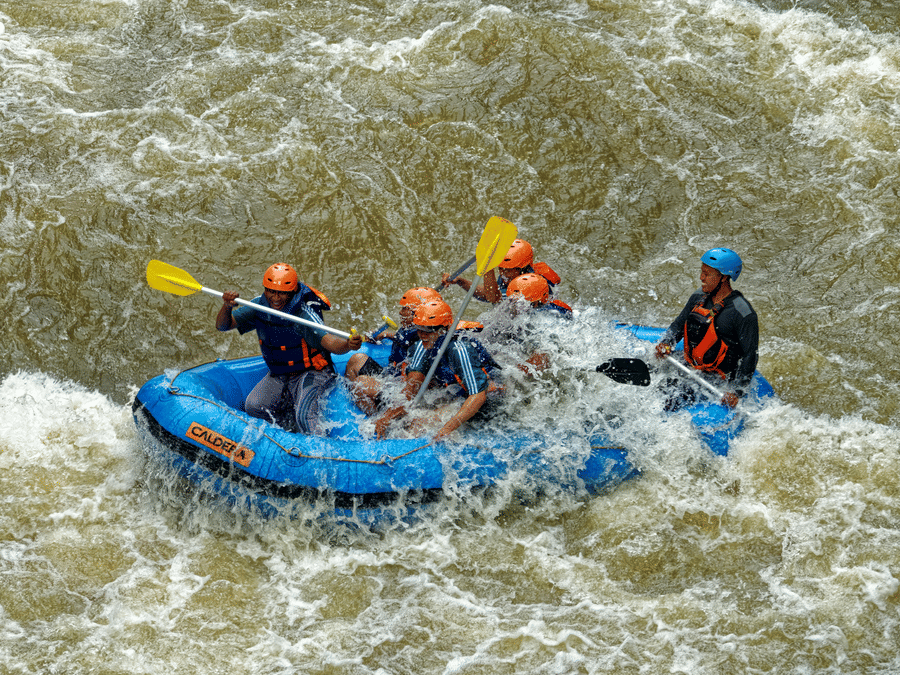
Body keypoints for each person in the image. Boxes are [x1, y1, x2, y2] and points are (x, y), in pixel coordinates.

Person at [216, 263, 362, 434]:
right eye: (271, 291)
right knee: (254, 406)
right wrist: (227, 306)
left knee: (304, 416)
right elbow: (223, 326)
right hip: (280, 373)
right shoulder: (259, 306)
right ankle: (286, 437)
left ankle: (317, 451)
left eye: (282, 293)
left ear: (292, 291)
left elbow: (330, 343)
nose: (276, 298)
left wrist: (347, 344)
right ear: (265, 289)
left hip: (313, 372)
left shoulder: (303, 313)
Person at [374, 300, 502, 441]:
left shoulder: (459, 349)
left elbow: (478, 396)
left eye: (428, 330)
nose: (422, 334)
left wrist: (446, 428)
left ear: (444, 329)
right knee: (408, 419)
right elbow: (411, 390)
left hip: (486, 397)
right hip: (456, 392)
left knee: (418, 424)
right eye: (419, 328)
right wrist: (386, 417)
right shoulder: (424, 345)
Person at [654, 248, 758, 410]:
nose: (701, 278)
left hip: (718, 378)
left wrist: (736, 392)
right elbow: (678, 326)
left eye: (707, 274)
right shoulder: (698, 297)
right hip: (690, 364)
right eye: (702, 272)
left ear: (723, 277)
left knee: (670, 396)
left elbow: (750, 356)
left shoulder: (743, 312)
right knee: (650, 371)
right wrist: (667, 342)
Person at [344, 286, 443, 415]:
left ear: (419, 313)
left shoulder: (425, 342)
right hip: (393, 377)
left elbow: (413, 387)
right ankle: (361, 405)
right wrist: (385, 334)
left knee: (360, 383)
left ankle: (377, 419)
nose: (400, 313)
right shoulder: (413, 330)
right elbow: (404, 339)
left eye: (405, 309)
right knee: (356, 359)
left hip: (405, 392)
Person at [441, 238, 561, 304]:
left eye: (507, 270)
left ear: (522, 268)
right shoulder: (510, 276)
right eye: (500, 268)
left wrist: (487, 266)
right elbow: (487, 294)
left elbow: (493, 298)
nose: (503, 273)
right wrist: (460, 281)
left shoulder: (530, 284)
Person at [503, 273, 572, 374]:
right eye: (512, 301)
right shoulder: (527, 312)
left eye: (518, 302)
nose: (512, 306)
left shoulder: (543, 322)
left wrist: (509, 373)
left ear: (534, 303)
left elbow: (542, 360)